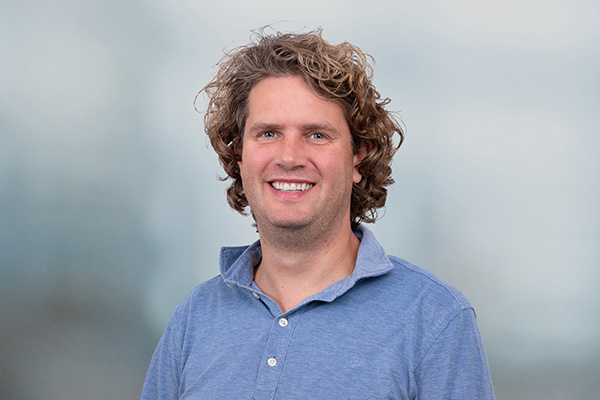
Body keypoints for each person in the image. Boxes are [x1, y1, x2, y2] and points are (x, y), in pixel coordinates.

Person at [141, 28, 495, 399]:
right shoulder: (193, 320)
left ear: (358, 157)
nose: (289, 157)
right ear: (239, 155)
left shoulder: (435, 321)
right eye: (268, 133)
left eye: (317, 135)